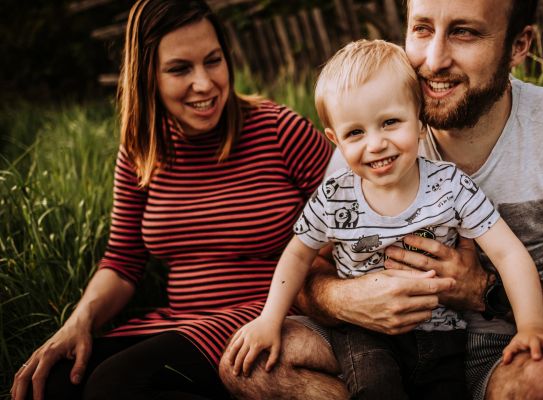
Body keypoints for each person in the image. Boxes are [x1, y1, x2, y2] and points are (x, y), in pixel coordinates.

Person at [219, 0, 543, 399]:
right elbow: (304, 260)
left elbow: (511, 257)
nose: (433, 60)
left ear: (520, 45)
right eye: (421, 29)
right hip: (372, 339)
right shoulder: (362, 151)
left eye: (463, 32)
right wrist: (347, 297)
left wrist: (484, 291)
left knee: (540, 383)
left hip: (500, 349)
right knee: (250, 365)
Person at [10, 0, 332, 399]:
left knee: (116, 385)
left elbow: (355, 216)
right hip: (179, 321)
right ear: (149, 76)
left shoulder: (281, 131)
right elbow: (123, 262)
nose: (205, 83)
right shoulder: (140, 152)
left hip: (263, 319)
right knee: (56, 383)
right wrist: (79, 321)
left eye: (213, 61)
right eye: (180, 69)